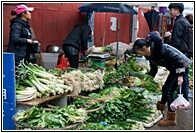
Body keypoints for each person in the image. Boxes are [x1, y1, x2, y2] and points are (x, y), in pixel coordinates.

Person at [132, 32, 191, 126]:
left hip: (181, 67)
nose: (140, 55)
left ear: (144, 48)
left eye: (139, 52)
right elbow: (154, 69)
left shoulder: (161, 49)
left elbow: (179, 60)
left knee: (169, 91)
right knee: (165, 88)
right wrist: (148, 79)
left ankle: (171, 118)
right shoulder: (149, 54)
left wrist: (180, 76)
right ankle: (160, 109)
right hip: (173, 69)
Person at [168, 3, 190, 101]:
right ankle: (184, 98)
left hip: (180, 54)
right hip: (185, 53)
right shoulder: (184, 21)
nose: (170, 12)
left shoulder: (179, 22)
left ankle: (183, 99)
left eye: (171, 10)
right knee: (184, 77)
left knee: (182, 77)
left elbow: (176, 41)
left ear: (177, 11)